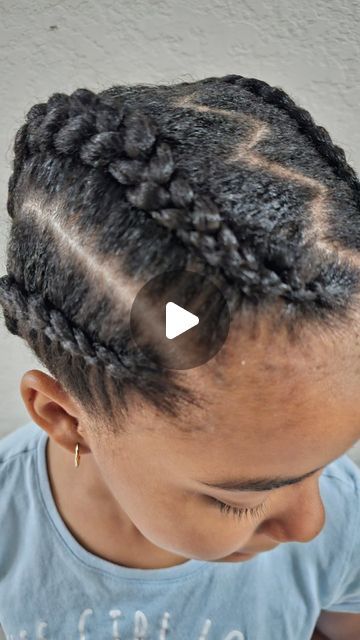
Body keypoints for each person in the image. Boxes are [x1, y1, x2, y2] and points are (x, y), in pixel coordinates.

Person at [0, 73, 359, 640]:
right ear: (65, 419)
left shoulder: (348, 521)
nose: (313, 524)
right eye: (237, 501)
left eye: (328, 461)